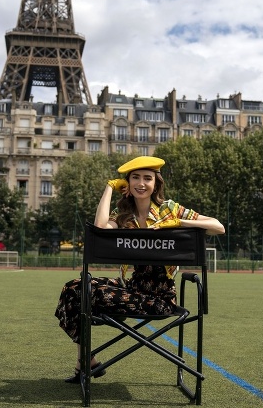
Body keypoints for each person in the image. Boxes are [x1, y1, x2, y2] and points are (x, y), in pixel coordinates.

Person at [54, 156, 225, 383]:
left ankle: (83, 363)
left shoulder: (170, 209)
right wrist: (108, 187)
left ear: (156, 183)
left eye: (147, 178)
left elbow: (218, 227)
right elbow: (100, 228)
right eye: (135, 178)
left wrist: (178, 223)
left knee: (91, 292)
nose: (141, 183)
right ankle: (87, 359)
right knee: (73, 288)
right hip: (132, 288)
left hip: (159, 299)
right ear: (128, 183)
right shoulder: (124, 216)